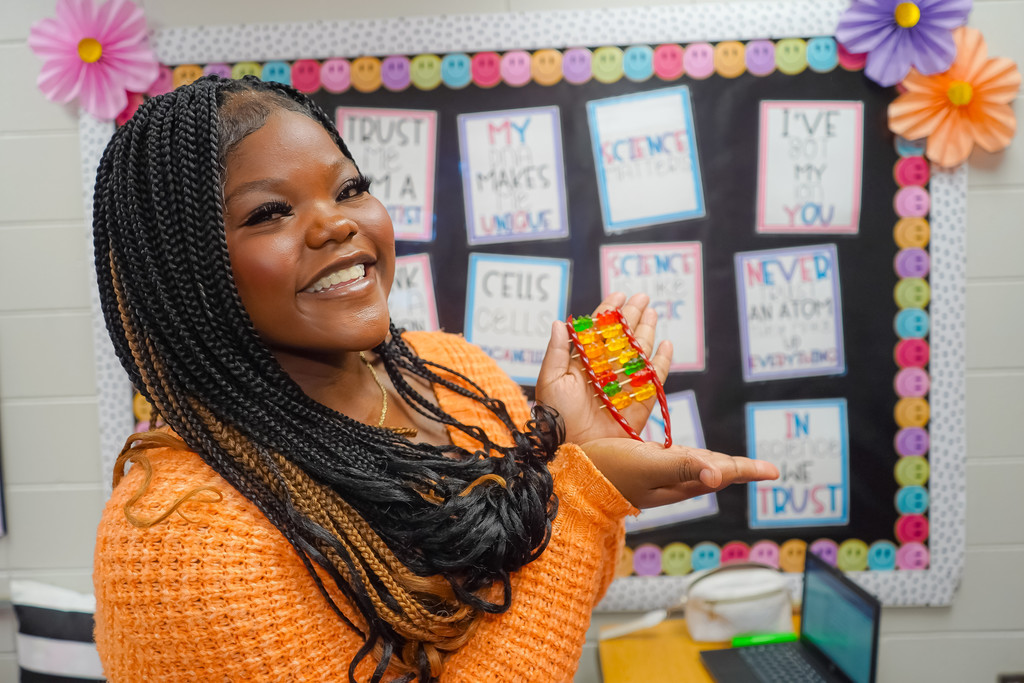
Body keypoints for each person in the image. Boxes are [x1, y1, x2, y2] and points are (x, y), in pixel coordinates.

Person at [91, 75, 777, 682]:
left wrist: (573, 453)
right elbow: (559, 563)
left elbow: (562, 593)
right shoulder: (179, 536)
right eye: (270, 212)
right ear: (185, 273)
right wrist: (582, 496)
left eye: (350, 188)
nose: (336, 223)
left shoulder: (451, 374)